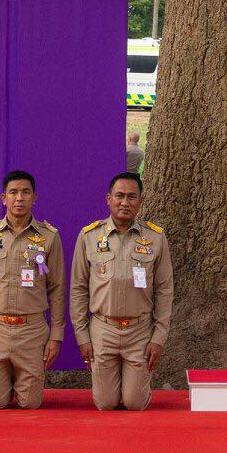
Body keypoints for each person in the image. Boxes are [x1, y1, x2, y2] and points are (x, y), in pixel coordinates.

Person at [69, 171, 173, 410]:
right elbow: (78, 289)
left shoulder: (155, 238)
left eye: (132, 197)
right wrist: (82, 336)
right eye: (119, 196)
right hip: (103, 330)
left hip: (139, 331)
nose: (125, 202)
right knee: (105, 404)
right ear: (109, 199)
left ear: (141, 201)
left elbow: (164, 291)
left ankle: (136, 389)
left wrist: (158, 338)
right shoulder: (89, 236)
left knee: (135, 403)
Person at [0, 170, 66, 409]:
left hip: (32, 330)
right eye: (13, 192)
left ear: (34, 198)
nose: (19, 198)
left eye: (25, 192)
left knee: (30, 403)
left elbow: (57, 289)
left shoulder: (49, 237)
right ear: (4, 198)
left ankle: (21, 382)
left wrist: (56, 335)